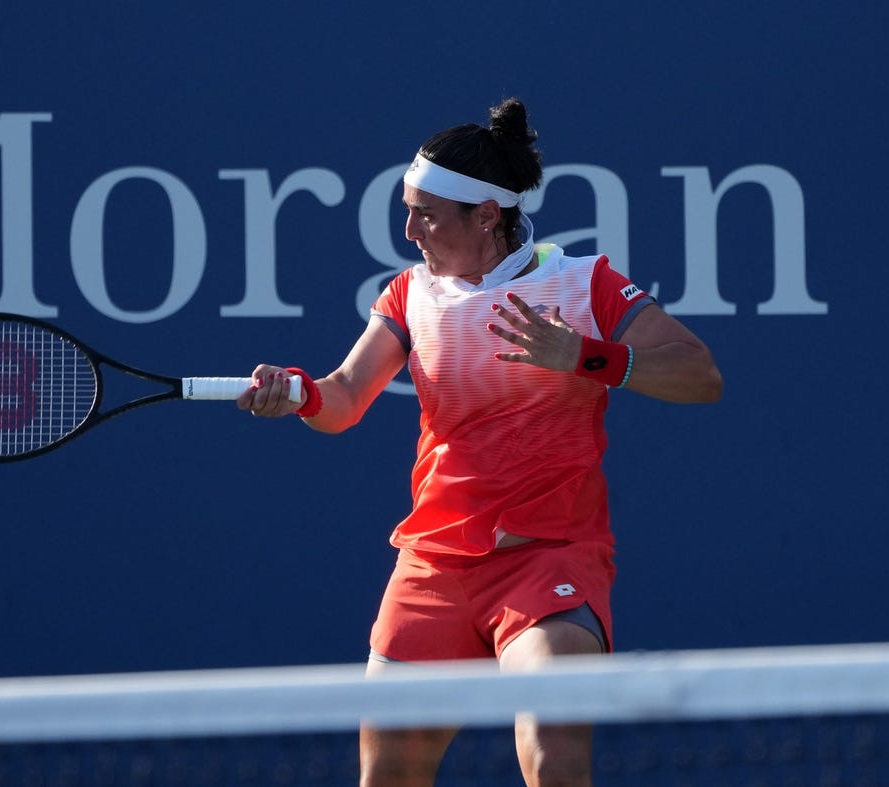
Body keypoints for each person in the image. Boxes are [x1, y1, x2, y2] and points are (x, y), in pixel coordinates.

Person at [236, 97, 722, 787]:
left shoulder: (584, 284)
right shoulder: (408, 295)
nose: (409, 231)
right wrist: (299, 393)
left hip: (549, 561)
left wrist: (585, 356)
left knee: (552, 757)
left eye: (426, 214)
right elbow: (342, 395)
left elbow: (700, 374)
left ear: (486, 215)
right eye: (406, 209)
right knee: (389, 772)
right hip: (433, 567)